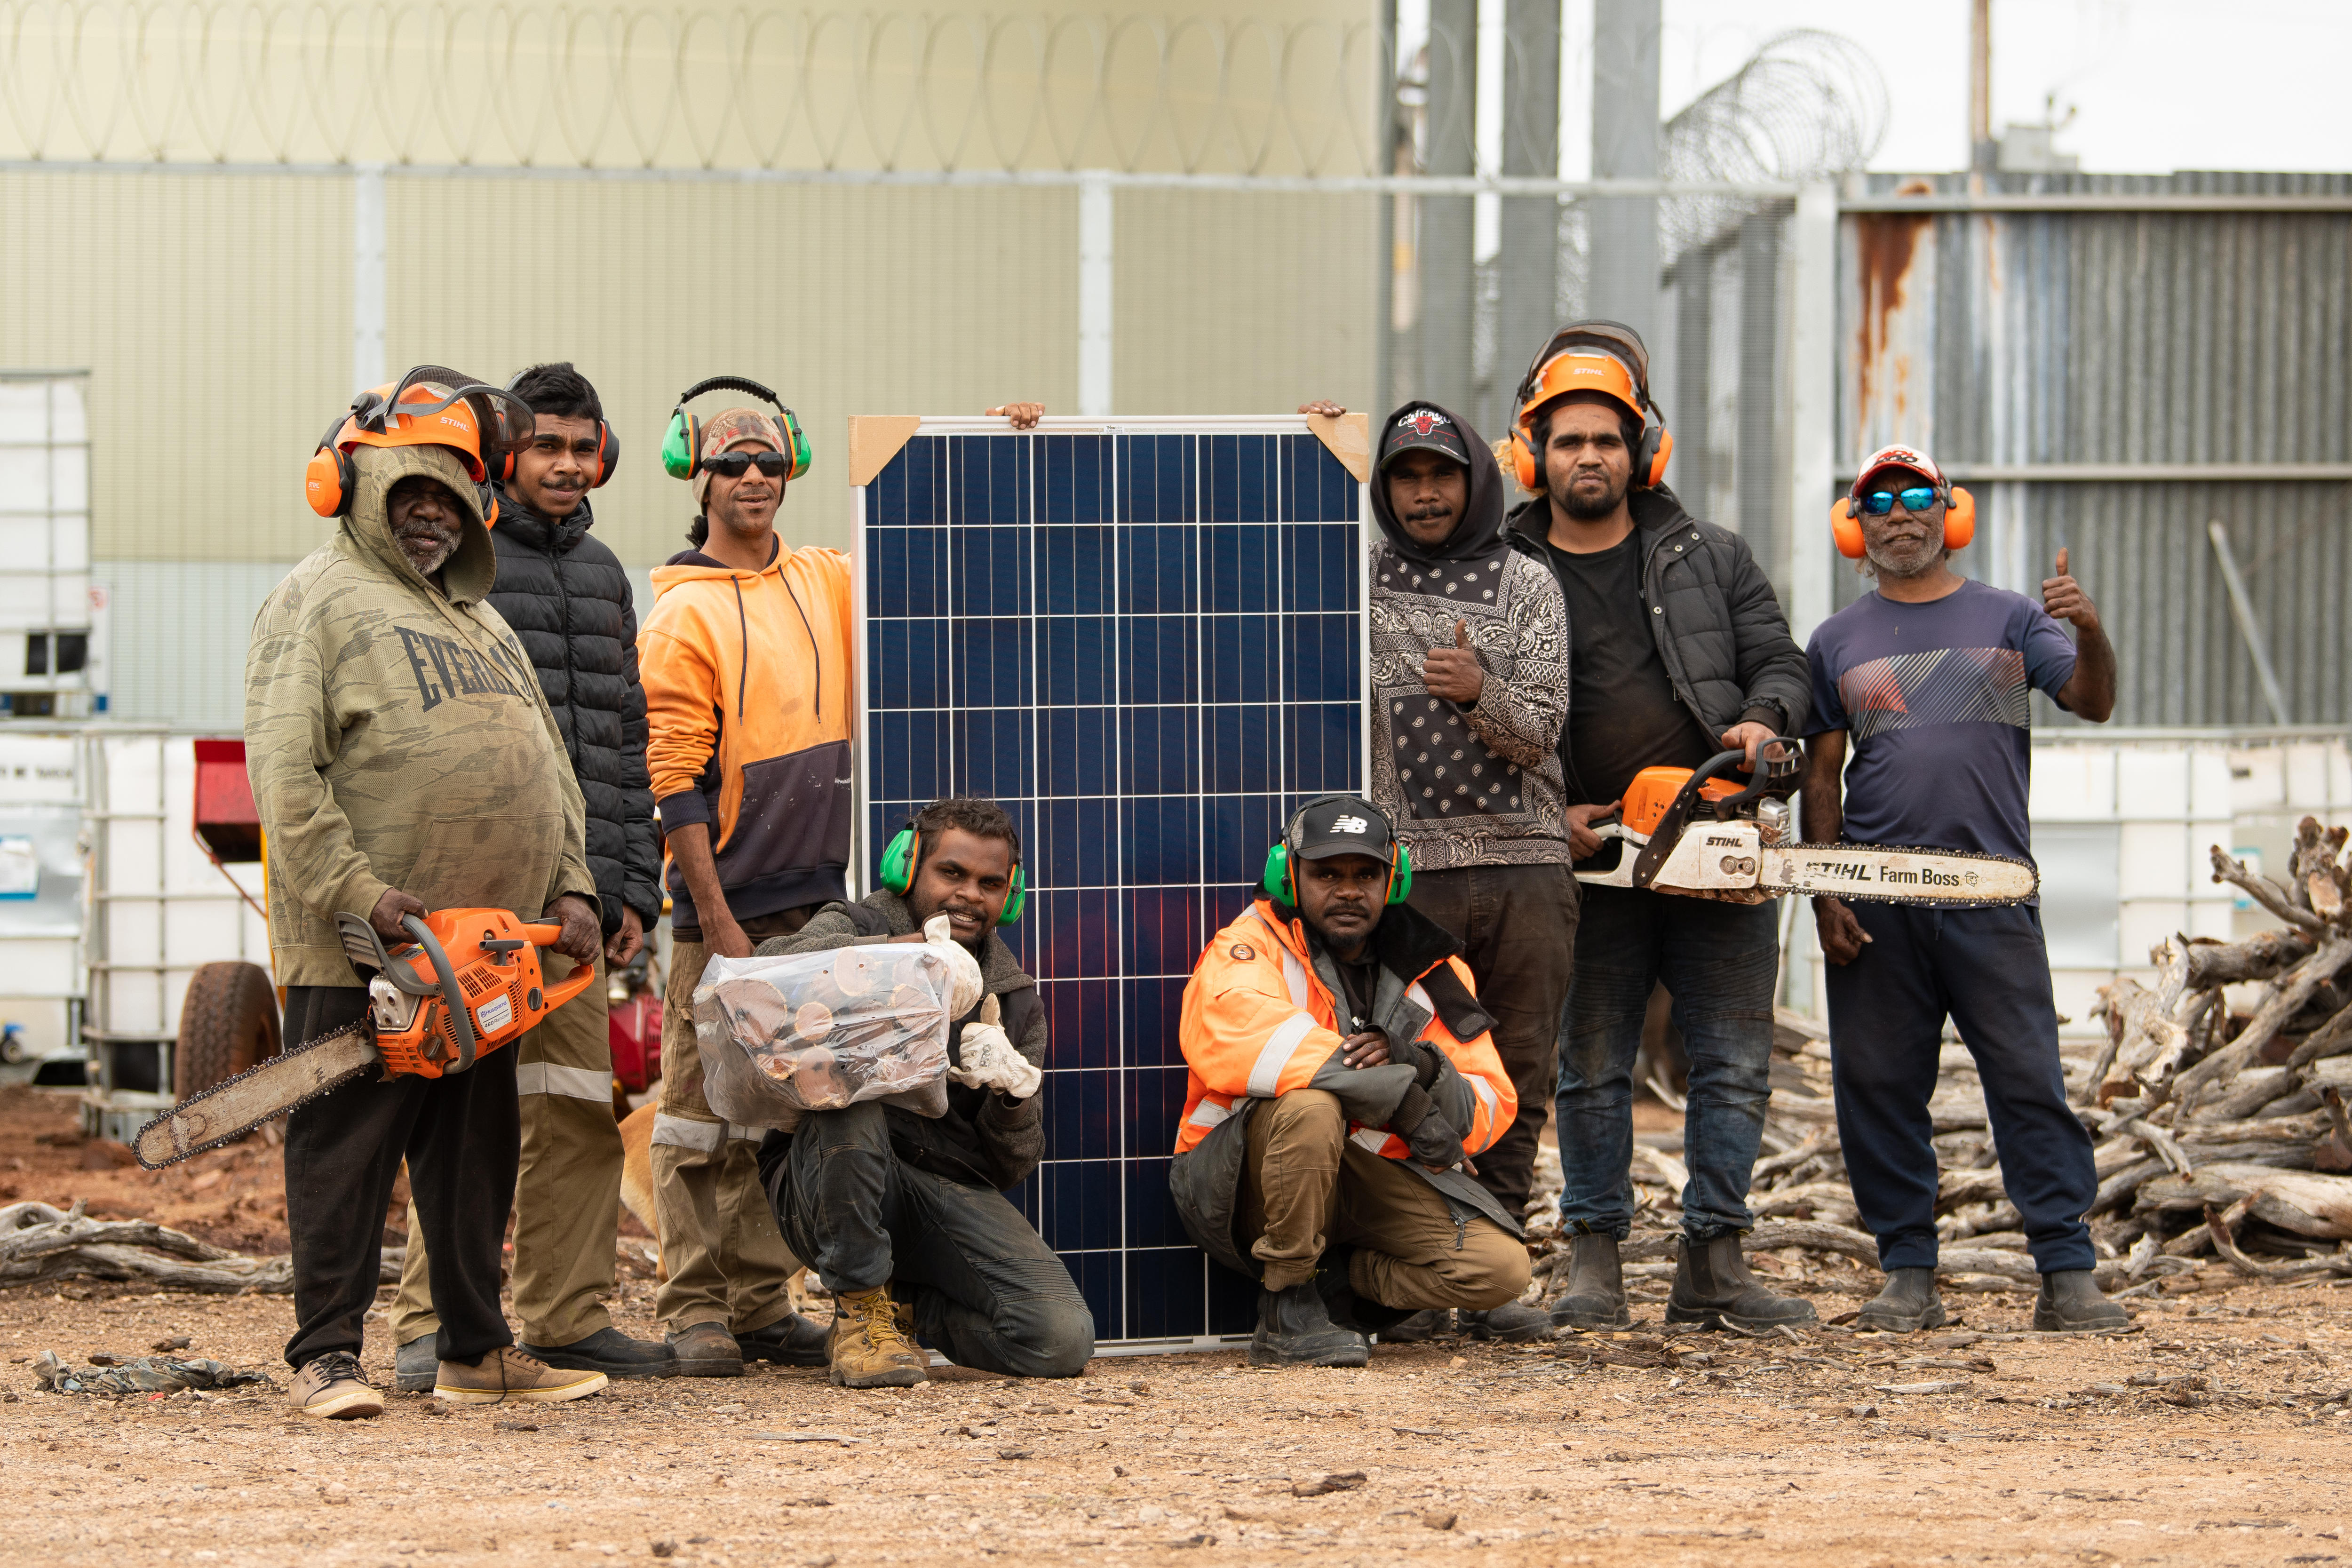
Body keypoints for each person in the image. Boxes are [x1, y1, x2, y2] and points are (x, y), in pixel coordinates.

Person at [640, 390, 1046, 1376]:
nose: (752, 480)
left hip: (816, 900)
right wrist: (720, 921)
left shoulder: (824, 579)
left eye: (769, 465)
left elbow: (931, 555)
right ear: (697, 476)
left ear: (793, 472)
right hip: (724, 904)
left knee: (787, 1102)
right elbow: (674, 778)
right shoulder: (679, 609)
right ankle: (696, 1304)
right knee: (703, 1107)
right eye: (732, 465)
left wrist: (987, 441)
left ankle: (760, 1300)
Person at [250, 368, 608, 1416]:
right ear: (355, 488)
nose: (430, 515)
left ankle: (475, 1347)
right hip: (363, 943)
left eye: (451, 499)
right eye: (411, 494)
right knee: (344, 1150)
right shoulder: (311, 600)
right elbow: (286, 775)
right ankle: (327, 1355)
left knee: (473, 1154)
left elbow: (554, 769)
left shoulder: (483, 621)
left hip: (488, 950)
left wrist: (575, 884)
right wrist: (360, 892)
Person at [1500, 321, 1816, 1333]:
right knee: (1590, 1062)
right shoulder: (1499, 564)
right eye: (1567, 441)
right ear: (1531, 453)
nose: (1588, 456)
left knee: (1732, 1057)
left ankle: (1714, 1261)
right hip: (1587, 859)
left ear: (1642, 449)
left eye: (1606, 438)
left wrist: (1761, 722)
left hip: (1715, 837)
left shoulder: (1708, 556)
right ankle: (1593, 1260)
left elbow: (1782, 662)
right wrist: (1552, 813)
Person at [389, 363, 673, 1390]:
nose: (564, 462)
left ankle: (565, 1316)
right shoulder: (455, 561)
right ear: (505, 454)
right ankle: (434, 1324)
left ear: (604, 455)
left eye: (580, 445)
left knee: (572, 1108)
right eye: (545, 444)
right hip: (481, 890)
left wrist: (633, 883)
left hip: (584, 903)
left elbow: (625, 737)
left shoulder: (603, 574)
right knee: (458, 1120)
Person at [1800, 444, 2127, 1333]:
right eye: (1878, 501)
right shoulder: (1835, 640)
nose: (1898, 513)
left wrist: (2089, 629)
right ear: (1855, 527)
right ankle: (1907, 1272)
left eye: (1916, 496)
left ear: (1950, 511)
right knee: (1878, 1084)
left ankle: (2067, 1272)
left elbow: (2093, 702)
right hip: (1876, 899)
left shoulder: (2017, 617)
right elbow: (1821, 778)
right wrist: (1827, 889)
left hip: (1992, 895)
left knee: (2029, 1081)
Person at [1298, 396, 1575, 1343]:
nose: (1423, 494)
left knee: (1519, 1077)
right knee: (1412, 1072)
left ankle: (1497, 1280)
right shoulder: (1353, 579)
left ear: (1474, 482)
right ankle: (1429, 1268)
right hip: (1411, 883)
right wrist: (1309, 447)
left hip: (1528, 875)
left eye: (1441, 476)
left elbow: (1540, 727)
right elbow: (1269, 542)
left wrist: (1478, 693)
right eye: (1405, 478)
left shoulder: (1529, 582)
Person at [1170, 794, 1530, 1368]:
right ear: (1287, 876)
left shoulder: (1435, 971)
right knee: (1310, 1105)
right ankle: (1286, 1304)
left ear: (1394, 879)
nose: (1347, 890)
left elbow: (1488, 1106)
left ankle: (1340, 1283)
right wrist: (1404, 1100)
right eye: (1326, 874)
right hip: (1238, 1181)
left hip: (1363, 1180)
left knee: (1499, 1270)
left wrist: (1425, 1066)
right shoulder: (1247, 947)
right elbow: (1250, 1039)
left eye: (1366, 874)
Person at [753, 796, 1095, 1386]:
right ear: (908, 868)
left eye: (990, 884)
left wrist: (1010, 1096)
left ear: (1009, 897)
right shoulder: (854, 926)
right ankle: (861, 1312)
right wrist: (898, 958)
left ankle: (904, 1308)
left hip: (934, 1186)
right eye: (951, 874)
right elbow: (767, 970)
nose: (968, 896)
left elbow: (1010, 1166)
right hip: (826, 1178)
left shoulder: (1012, 1001)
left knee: (1058, 1340)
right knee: (852, 1098)